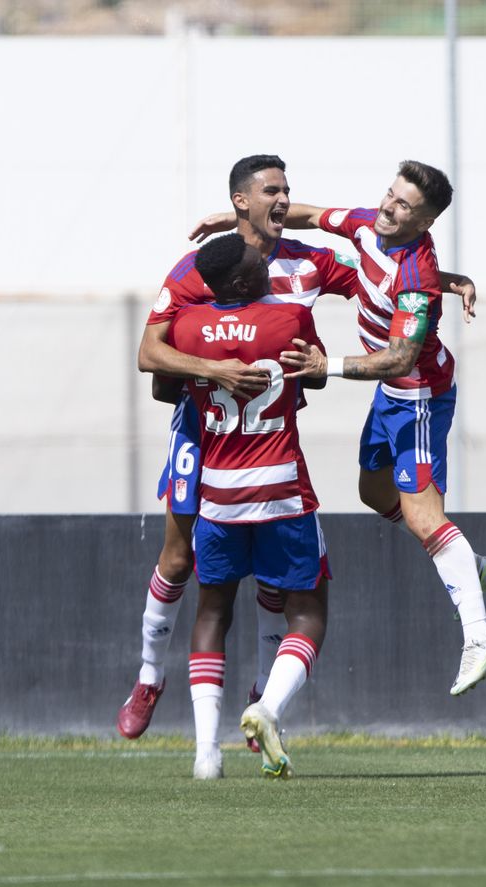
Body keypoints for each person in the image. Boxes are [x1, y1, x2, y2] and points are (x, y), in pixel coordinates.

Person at [119, 153, 481, 741]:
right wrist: (213, 369)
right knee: (179, 559)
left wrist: (442, 281)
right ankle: (148, 675)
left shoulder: (307, 263)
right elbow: (149, 352)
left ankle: (262, 697)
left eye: (289, 190)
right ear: (242, 201)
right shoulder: (199, 267)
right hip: (199, 429)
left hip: (265, 442)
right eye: (273, 191)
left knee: (271, 578)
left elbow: (380, 276)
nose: (285, 200)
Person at [199, 160, 486, 695]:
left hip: (418, 397)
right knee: (373, 492)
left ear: (426, 220)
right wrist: (235, 220)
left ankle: (480, 633)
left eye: (404, 205)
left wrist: (328, 367)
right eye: (390, 194)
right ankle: (465, 561)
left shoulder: (415, 280)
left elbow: (400, 359)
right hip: (391, 399)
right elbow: (313, 214)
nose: (389, 207)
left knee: (421, 515)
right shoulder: (370, 222)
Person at [166, 234, 331, 779]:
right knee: (307, 612)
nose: (266, 260)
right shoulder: (288, 318)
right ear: (241, 281)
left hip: (218, 497)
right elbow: (318, 376)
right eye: (256, 260)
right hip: (282, 488)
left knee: (212, 611)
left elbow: (165, 378)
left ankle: (205, 753)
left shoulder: (187, 327)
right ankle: (267, 708)